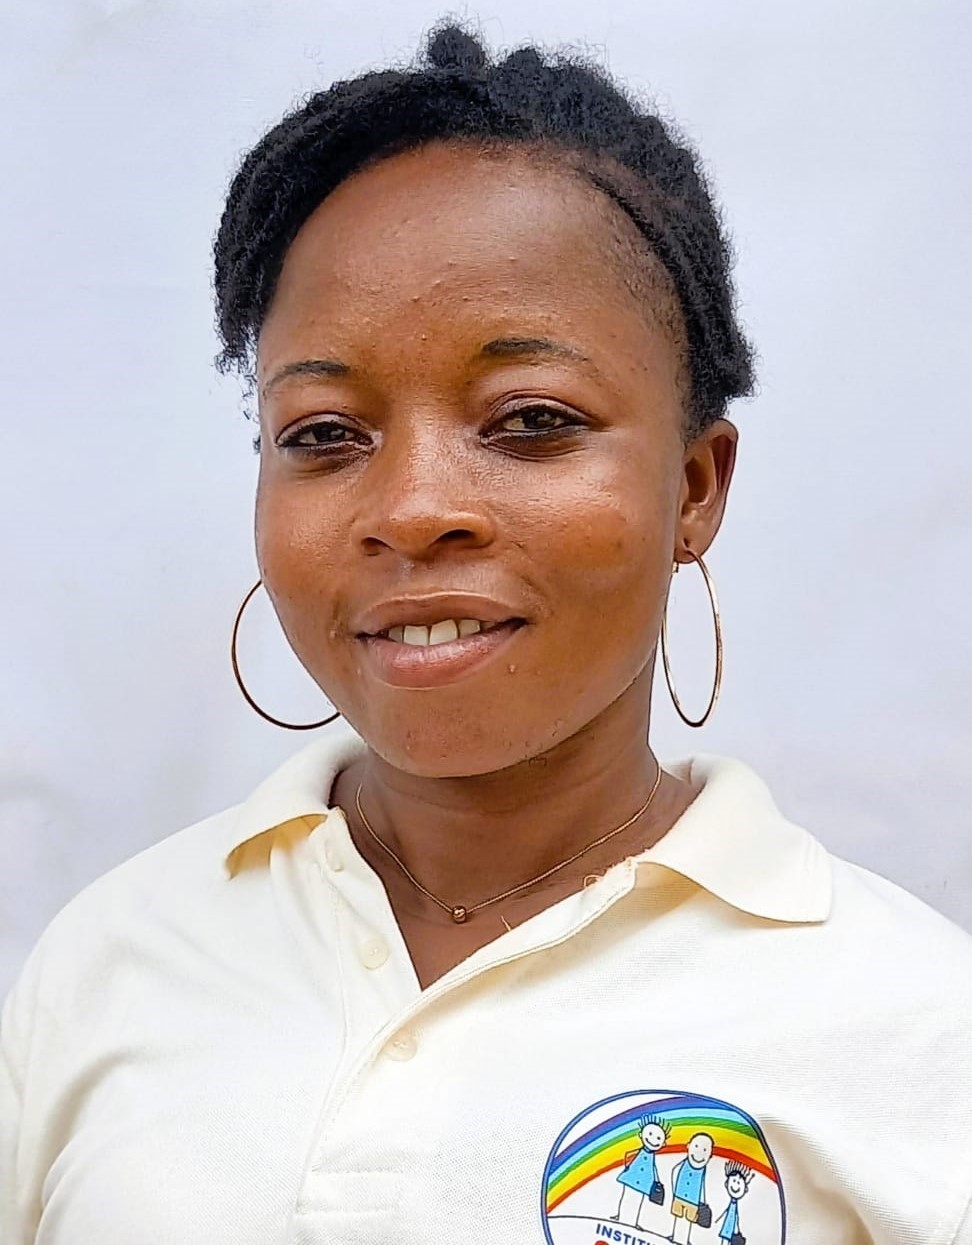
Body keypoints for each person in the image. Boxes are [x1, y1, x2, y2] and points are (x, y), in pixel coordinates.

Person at [2, 20, 972, 1245]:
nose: (413, 508)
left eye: (529, 421)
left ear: (693, 488)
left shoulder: (917, 1034)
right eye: (325, 433)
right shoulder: (115, 956)